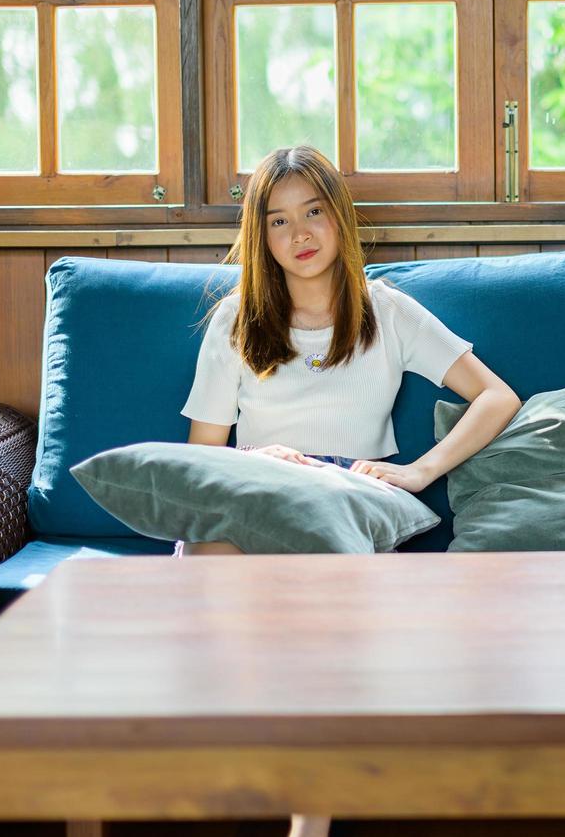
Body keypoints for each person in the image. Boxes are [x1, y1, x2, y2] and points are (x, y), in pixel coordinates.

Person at [179, 144, 521, 556]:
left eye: (314, 212)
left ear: (339, 214)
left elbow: (498, 397)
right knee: (215, 540)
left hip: (349, 493)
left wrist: (419, 471)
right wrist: (256, 459)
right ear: (262, 237)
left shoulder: (386, 310)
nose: (299, 234)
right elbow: (202, 456)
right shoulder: (236, 318)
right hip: (259, 482)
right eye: (279, 221)